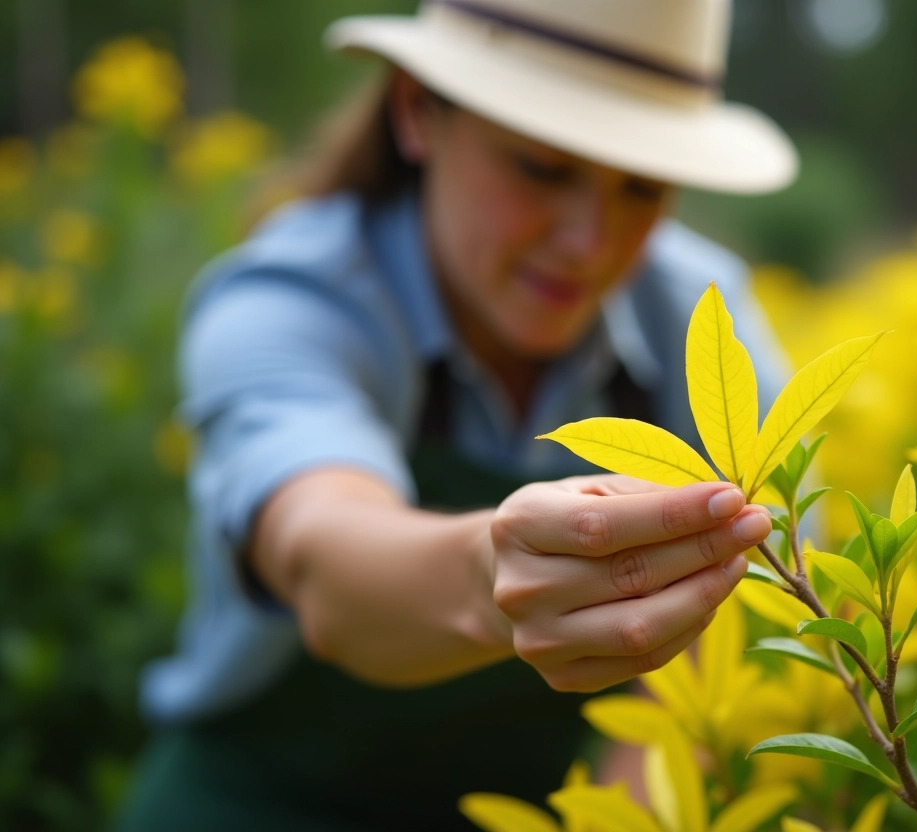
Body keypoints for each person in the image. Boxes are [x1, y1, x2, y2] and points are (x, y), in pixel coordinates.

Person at [117, 0, 798, 829]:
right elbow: (323, 556)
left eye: (642, 188)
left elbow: (717, 670)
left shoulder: (706, 329)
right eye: (543, 169)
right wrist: (488, 578)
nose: (591, 241)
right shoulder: (290, 299)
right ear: (416, 110)